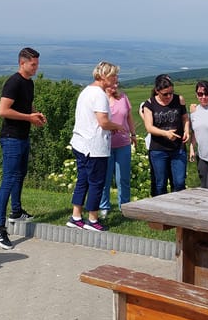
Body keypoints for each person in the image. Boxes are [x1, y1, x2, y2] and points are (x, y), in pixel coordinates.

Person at [0, 47, 47, 250]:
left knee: (20, 174)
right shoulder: (13, 82)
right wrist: (28, 118)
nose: (36, 68)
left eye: (37, 64)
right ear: (22, 63)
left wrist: (35, 115)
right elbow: (3, 111)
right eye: (33, 64)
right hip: (11, 138)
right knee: (9, 179)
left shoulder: (29, 83)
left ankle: (16, 211)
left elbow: (26, 105)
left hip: (23, 136)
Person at [66, 61, 125, 232]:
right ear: (103, 76)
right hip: (94, 146)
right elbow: (103, 122)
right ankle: (92, 219)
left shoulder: (86, 91)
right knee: (96, 183)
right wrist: (117, 126)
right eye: (113, 75)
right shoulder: (100, 95)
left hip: (80, 142)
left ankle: (76, 216)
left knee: (83, 180)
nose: (116, 79)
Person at [142, 74, 190, 196]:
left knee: (179, 182)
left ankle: (179, 205)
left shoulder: (179, 99)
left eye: (171, 93)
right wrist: (165, 133)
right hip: (159, 149)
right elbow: (149, 127)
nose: (169, 96)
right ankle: (161, 206)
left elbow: (185, 118)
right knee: (160, 183)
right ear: (157, 91)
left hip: (178, 148)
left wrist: (186, 131)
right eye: (165, 94)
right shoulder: (149, 104)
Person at [99, 80, 137, 216]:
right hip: (105, 145)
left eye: (117, 83)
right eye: (112, 84)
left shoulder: (123, 98)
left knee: (123, 178)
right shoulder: (100, 99)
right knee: (105, 177)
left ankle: (124, 206)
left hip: (123, 143)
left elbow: (129, 117)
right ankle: (104, 206)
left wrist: (133, 134)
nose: (115, 86)